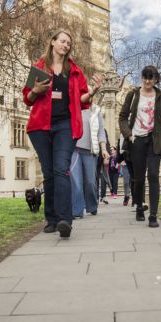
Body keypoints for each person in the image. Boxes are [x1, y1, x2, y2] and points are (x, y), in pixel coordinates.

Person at [23, 29, 100, 238]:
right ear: (53, 42)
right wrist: (35, 91)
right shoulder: (39, 67)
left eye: (69, 43)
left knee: (61, 170)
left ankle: (65, 220)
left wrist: (91, 93)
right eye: (63, 41)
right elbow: (27, 99)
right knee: (49, 173)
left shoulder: (74, 71)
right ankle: (51, 219)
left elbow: (82, 100)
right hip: (40, 127)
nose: (66, 45)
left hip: (66, 126)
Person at [119, 65, 161, 228]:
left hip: (154, 140)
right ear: (142, 77)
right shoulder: (133, 94)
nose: (147, 80)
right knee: (138, 178)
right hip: (137, 140)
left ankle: (153, 215)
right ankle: (139, 208)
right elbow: (122, 117)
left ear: (155, 79)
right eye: (145, 77)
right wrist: (129, 134)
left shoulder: (160, 95)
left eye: (151, 78)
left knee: (154, 175)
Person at [70, 101, 106, 218]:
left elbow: (101, 132)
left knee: (90, 182)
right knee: (76, 182)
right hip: (74, 150)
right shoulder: (73, 107)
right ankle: (77, 210)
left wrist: (104, 149)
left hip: (90, 151)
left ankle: (92, 206)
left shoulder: (96, 111)